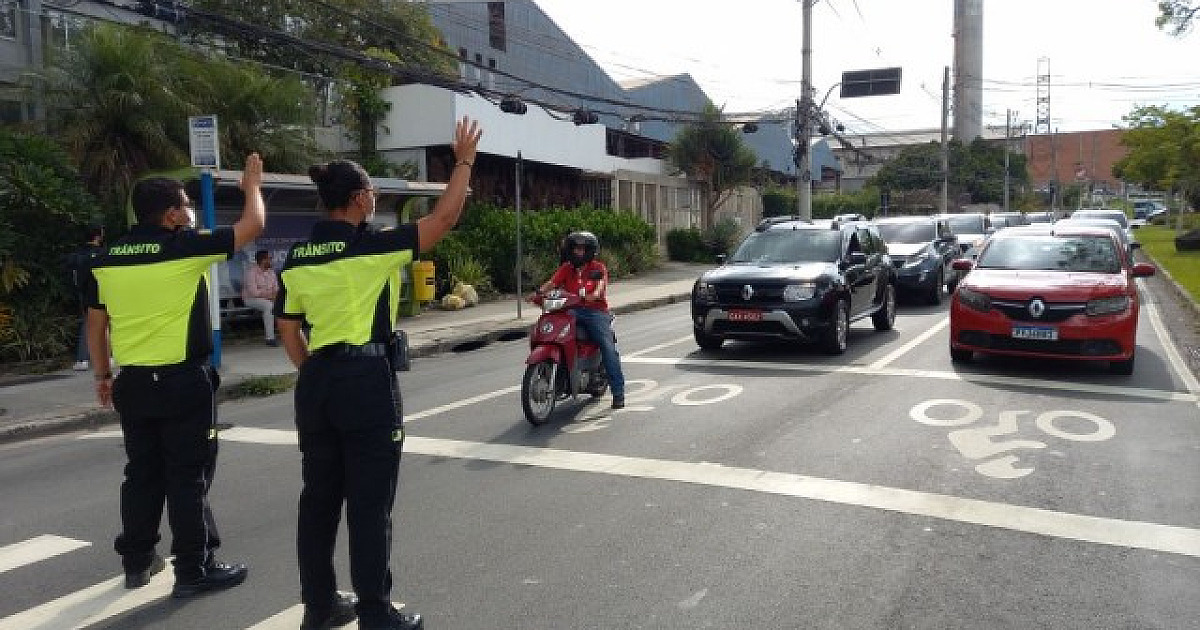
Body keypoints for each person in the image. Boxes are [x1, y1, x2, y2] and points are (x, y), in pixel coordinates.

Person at [274, 116, 482, 630]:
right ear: (361, 198)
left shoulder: (299, 257)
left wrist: (317, 370)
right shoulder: (373, 247)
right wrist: (464, 160)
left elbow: (286, 328)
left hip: (317, 382)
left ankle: (319, 609)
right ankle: (374, 612)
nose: (373, 199)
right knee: (368, 505)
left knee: (318, 502)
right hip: (365, 383)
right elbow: (446, 217)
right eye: (370, 191)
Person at [83, 154, 265, 598]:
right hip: (184, 382)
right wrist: (252, 186)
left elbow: (96, 324)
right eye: (185, 205)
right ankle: (194, 567)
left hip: (133, 383)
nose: (189, 213)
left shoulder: (104, 259)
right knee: (188, 475)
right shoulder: (184, 247)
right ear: (169, 215)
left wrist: (103, 375)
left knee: (141, 473)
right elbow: (252, 225)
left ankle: (137, 561)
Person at [536, 231, 626, 409]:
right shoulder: (566, 268)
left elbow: (600, 285)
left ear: (590, 251)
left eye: (582, 249)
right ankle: (561, 373)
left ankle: (618, 392)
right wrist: (538, 293)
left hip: (595, 312)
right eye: (576, 249)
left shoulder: (597, 268)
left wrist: (595, 295)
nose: (578, 252)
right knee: (554, 331)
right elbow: (552, 284)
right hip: (572, 310)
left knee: (607, 347)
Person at [68, 223, 105, 370]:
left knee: (87, 324)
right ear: (98, 235)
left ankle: (83, 359)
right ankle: (104, 357)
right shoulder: (103, 253)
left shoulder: (76, 255)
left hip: (82, 293)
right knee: (103, 325)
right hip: (100, 292)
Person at [242, 249, 279, 346]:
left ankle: (288, 335)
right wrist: (270, 296)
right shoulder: (251, 272)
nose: (271, 261)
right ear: (263, 260)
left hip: (269, 298)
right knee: (269, 306)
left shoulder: (271, 272)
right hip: (251, 299)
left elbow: (276, 289)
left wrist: (275, 296)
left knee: (285, 304)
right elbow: (254, 292)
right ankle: (270, 338)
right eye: (269, 259)